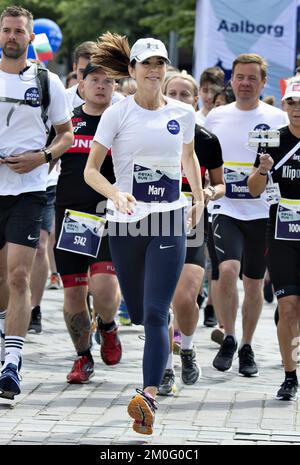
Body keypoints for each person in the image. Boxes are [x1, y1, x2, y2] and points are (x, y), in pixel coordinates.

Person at [84, 32, 204, 435]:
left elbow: (188, 157)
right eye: (146, 63)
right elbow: (91, 170)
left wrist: (199, 198)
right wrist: (115, 193)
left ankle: (148, 397)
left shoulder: (183, 114)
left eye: (160, 63)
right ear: (132, 70)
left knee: (154, 314)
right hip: (127, 223)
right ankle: (154, 328)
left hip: (169, 218)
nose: (154, 70)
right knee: (138, 312)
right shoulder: (118, 114)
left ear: (166, 69)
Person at [0, 5, 73, 399]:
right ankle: (4, 336)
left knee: (18, 276)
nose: (12, 37)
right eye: (7, 30)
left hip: (29, 189)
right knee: (0, 279)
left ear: (31, 37)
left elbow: (65, 134)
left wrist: (42, 157)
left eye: (19, 31)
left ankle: (12, 362)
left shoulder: (47, 81)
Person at [205, 53, 288, 377]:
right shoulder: (216, 117)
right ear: (232, 80)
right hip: (226, 207)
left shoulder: (278, 117)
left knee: (253, 284)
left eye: (252, 78)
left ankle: (247, 345)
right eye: (239, 77)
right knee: (227, 271)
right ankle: (228, 335)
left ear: (263, 82)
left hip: (263, 211)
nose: (245, 83)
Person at [54, 62, 122, 384]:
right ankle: (83, 357)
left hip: (108, 214)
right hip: (70, 216)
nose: (101, 86)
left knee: (105, 288)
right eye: (94, 80)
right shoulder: (70, 123)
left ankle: (108, 327)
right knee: (73, 293)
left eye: (108, 81)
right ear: (80, 84)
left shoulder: (122, 121)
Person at [158, 71, 224, 395]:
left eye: (186, 95)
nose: (179, 100)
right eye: (173, 93)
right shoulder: (149, 133)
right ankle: (165, 367)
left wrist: (208, 194)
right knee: (161, 301)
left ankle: (187, 346)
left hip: (192, 221)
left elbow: (221, 183)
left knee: (184, 298)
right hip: (154, 221)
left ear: (196, 101)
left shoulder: (207, 140)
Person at [248, 78, 300, 401]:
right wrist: (264, 170)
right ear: (284, 105)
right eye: (292, 103)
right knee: (289, 306)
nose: (297, 110)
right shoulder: (271, 140)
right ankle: (289, 375)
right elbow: (254, 189)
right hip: (281, 233)